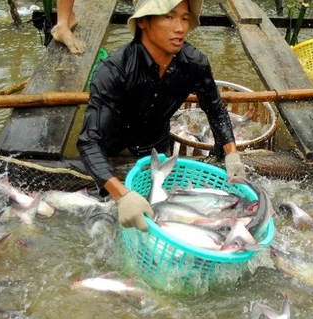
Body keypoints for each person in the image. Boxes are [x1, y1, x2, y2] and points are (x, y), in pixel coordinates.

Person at [77, 0, 246, 231]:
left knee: (165, 217)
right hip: (112, 152)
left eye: (185, 18)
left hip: (156, 150)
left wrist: (232, 155)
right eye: (169, 17)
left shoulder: (194, 64)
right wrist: (122, 194)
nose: (180, 28)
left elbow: (215, 109)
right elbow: (89, 141)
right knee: (105, 220)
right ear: (143, 22)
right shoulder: (114, 70)